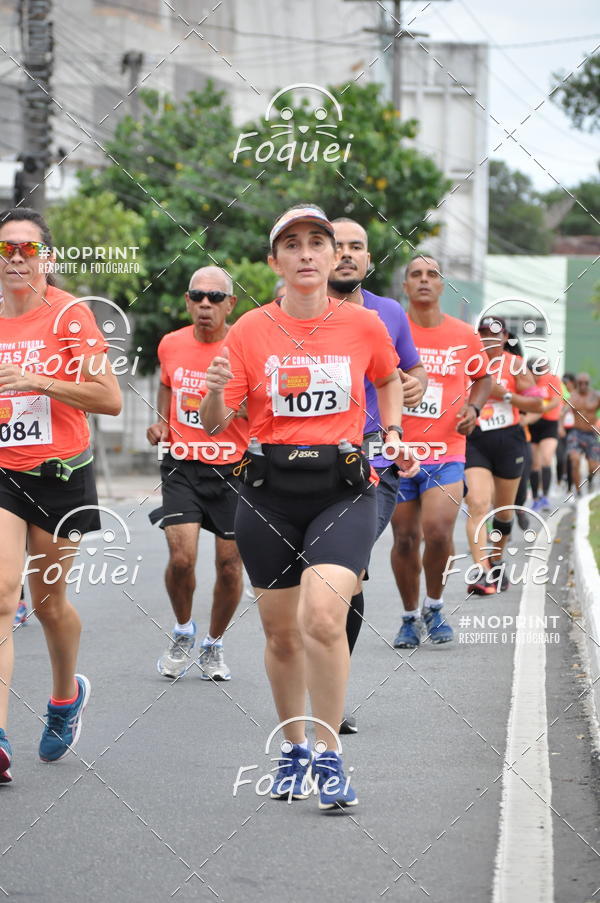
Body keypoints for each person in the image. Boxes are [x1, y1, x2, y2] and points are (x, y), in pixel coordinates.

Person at [201, 204, 419, 811]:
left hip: (343, 488)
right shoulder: (248, 330)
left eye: (316, 243)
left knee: (323, 617)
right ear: (274, 261)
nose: (305, 253)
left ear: (332, 258)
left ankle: (329, 755)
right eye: (291, 244)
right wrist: (216, 388)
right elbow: (217, 424)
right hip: (267, 493)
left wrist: (393, 431)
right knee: (281, 634)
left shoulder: (363, 325)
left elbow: (387, 378)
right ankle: (293, 748)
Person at [0, 208, 121, 783]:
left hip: (60, 474)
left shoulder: (71, 316)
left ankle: (65, 695)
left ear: (47, 257)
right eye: (6, 250)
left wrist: (37, 381)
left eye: (27, 249)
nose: (17, 258)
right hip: (3, 471)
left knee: (48, 606)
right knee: (2, 596)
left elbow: (109, 396)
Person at [327, 217, 427, 733]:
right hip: (301, 464)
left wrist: (412, 386)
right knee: (310, 587)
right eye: (337, 245)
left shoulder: (389, 313)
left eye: (356, 248)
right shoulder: (293, 314)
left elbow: (413, 368)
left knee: (348, 574)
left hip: (374, 467)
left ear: (369, 259)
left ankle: (330, 692)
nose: (346, 254)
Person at [147, 266, 247, 682]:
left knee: (228, 565)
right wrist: (161, 421)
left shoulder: (244, 347)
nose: (206, 304)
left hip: (234, 467)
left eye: (215, 297)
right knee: (181, 558)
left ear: (230, 304)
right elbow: (168, 385)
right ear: (188, 301)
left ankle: (214, 643)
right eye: (197, 296)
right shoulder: (170, 344)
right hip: (182, 465)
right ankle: (184, 629)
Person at [390, 255, 491, 647]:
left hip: (446, 449)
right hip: (399, 451)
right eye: (415, 274)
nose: (424, 280)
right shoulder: (391, 331)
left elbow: (482, 377)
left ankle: (434, 604)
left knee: (437, 530)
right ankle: (409, 615)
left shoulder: (465, 334)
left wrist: (474, 407)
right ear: (405, 286)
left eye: (432, 274)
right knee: (403, 539)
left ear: (442, 284)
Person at [464, 317, 543, 594]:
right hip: (475, 439)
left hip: (509, 440)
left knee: (504, 511)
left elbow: (538, 403)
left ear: (505, 336)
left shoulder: (515, 364)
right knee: (477, 503)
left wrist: (505, 395)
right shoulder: (467, 362)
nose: (487, 338)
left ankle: (496, 559)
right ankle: (482, 571)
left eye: (493, 333)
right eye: (483, 332)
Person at [528, 358, 562, 511]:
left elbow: (556, 401)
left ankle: (545, 497)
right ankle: (535, 498)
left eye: (538, 372)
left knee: (547, 458)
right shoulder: (526, 380)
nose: (536, 377)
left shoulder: (551, 379)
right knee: (534, 463)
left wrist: (540, 409)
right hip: (532, 424)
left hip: (549, 423)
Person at [566, 373, 600, 496]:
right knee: (574, 460)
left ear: (588, 383)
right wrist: (559, 425)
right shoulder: (573, 396)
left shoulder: (596, 396)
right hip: (576, 432)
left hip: (591, 434)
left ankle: (590, 478)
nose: (583, 386)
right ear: (577, 383)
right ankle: (578, 491)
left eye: (585, 383)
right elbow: (563, 411)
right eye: (580, 383)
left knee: (593, 466)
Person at [557, 373, 576, 491]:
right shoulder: (561, 392)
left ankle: (570, 486)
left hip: (574, 429)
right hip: (562, 428)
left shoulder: (577, 394)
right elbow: (560, 412)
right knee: (560, 457)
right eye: (563, 382)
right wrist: (560, 426)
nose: (564, 384)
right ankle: (559, 481)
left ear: (572, 382)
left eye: (566, 382)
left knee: (570, 457)